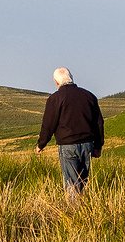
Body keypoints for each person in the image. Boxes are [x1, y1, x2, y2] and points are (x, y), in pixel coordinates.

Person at [35, 66, 104, 198]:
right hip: (87, 145)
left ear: (56, 82)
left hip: (67, 146)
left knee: (72, 183)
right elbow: (99, 123)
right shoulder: (89, 96)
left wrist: (41, 144)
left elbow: (48, 124)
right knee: (83, 182)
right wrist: (98, 146)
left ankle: (74, 214)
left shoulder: (55, 99)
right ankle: (83, 211)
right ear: (71, 78)